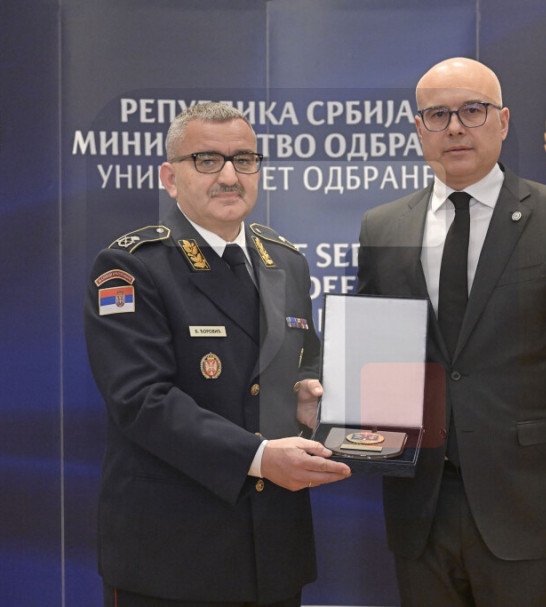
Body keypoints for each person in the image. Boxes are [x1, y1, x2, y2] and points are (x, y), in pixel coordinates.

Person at [356, 58, 546, 606]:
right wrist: (336, 401)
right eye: (437, 115)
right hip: (422, 512)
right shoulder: (383, 226)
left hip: (533, 513)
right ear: (419, 129)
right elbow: (374, 357)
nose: (455, 127)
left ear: (503, 122)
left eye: (473, 110)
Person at [84, 102, 351, 607]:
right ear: (170, 177)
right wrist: (258, 457)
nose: (229, 176)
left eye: (244, 159)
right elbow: (141, 401)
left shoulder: (286, 261)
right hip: (171, 555)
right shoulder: (130, 267)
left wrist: (309, 397)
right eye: (207, 160)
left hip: (274, 549)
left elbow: (303, 362)